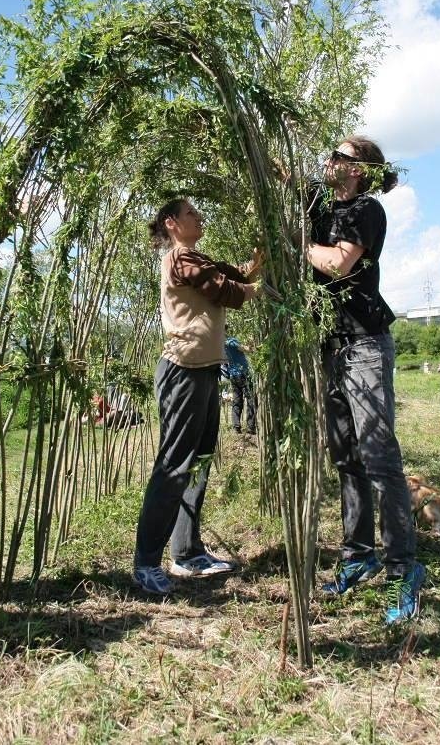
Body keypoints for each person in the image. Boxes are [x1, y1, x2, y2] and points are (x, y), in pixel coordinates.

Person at [298, 136, 425, 624]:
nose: (330, 160)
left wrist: (298, 244)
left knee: (378, 457)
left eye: (340, 156)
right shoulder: (321, 203)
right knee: (345, 455)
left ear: (360, 170)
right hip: (330, 344)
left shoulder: (364, 211)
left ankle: (402, 569)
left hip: (365, 344)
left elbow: (337, 263)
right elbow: (282, 176)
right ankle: (359, 555)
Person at [133, 198, 260, 595]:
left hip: (205, 371)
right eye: (192, 214)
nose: (200, 217)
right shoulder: (179, 259)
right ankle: (146, 564)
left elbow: (229, 274)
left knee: (199, 462)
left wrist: (254, 265)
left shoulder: (197, 258)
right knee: (174, 466)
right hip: (182, 371)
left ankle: (187, 553)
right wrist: (261, 288)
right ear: (171, 223)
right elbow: (228, 292)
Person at [223, 332, 257, 435]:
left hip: (233, 376)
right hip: (242, 374)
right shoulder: (231, 342)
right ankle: (251, 427)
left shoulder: (221, 344)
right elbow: (248, 350)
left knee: (237, 401)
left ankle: (236, 426)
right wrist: (251, 341)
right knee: (251, 399)